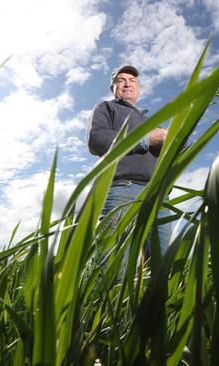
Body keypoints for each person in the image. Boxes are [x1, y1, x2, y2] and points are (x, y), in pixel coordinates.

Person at [87, 64, 172, 262]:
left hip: (157, 195)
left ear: (139, 88)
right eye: (121, 80)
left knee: (162, 266)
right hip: (123, 189)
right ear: (113, 88)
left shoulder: (152, 121)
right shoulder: (107, 108)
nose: (127, 84)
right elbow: (97, 140)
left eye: (132, 80)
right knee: (115, 263)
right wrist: (146, 140)